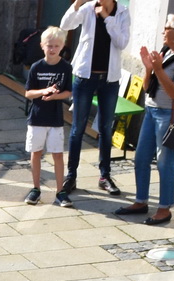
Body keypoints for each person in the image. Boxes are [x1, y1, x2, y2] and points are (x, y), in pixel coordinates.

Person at [114, 13, 174, 226]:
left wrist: (159, 69)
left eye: (167, 27)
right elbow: (146, 87)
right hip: (151, 110)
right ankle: (140, 201)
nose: (163, 31)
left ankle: (164, 208)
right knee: (141, 158)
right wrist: (149, 68)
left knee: (164, 162)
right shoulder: (165, 51)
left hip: (170, 114)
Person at [58, 0, 130, 203]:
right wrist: (77, 3)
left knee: (106, 129)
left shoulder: (122, 13)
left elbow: (122, 42)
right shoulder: (88, 8)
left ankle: (105, 176)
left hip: (109, 79)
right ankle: (71, 176)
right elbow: (66, 24)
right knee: (78, 128)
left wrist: (108, 19)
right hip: (85, 77)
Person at [22, 29, 72, 207]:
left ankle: (60, 191)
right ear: (42, 46)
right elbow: (28, 93)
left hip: (55, 119)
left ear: (62, 47)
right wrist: (44, 91)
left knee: (57, 154)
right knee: (36, 153)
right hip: (37, 118)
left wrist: (54, 96)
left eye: (56, 46)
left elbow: (68, 91)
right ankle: (35, 188)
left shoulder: (66, 67)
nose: (52, 49)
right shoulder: (37, 67)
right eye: (49, 46)